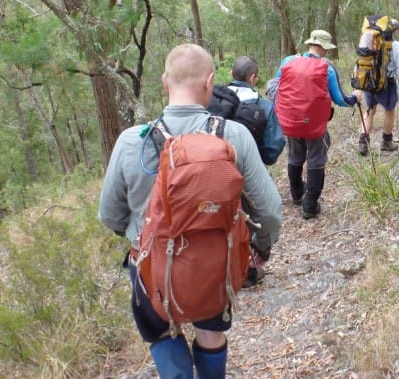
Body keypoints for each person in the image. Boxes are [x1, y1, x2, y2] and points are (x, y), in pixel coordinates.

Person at [99, 43, 282, 378]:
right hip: (215, 264)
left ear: (165, 82)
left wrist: (139, 232)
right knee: (211, 330)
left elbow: (109, 214)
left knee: (160, 329)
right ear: (210, 82)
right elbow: (269, 210)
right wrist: (261, 247)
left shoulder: (131, 141)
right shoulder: (234, 136)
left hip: (150, 268)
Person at [274, 29, 360, 219]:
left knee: (294, 156)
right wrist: (355, 98)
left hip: (289, 121)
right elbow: (340, 99)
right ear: (324, 48)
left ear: (310, 44)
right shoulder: (326, 68)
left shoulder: (287, 62)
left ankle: (297, 194)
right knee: (316, 159)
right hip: (314, 125)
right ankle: (310, 205)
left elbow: (275, 87)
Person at [215, 55, 286, 166]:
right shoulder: (265, 106)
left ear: (231, 74)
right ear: (252, 78)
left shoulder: (215, 99)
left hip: (219, 168)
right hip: (253, 168)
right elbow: (272, 149)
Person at [358, 18, 399, 155]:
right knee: (389, 110)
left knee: (369, 110)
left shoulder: (370, 43)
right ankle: (387, 141)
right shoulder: (397, 46)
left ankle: (363, 142)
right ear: (394, 31)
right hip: (387, 83)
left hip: (369, 81)